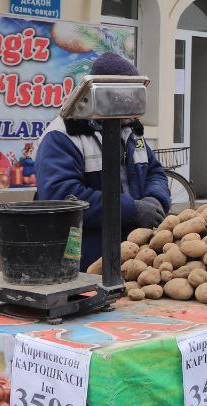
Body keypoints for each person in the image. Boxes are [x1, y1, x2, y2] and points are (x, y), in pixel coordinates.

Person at [34, 53, 171, 269]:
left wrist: (155, 199)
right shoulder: (62, 135)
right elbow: (61, 196)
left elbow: (155, 171)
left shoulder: (130, 129)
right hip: (82, 257)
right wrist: (131, 210)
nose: (132, 104)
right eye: (126, 96)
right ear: (104, 95)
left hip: (132, 252)